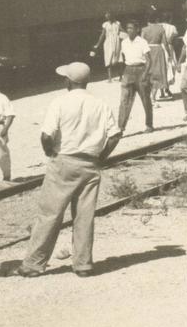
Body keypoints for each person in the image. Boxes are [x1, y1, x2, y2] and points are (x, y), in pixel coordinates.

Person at [12, 62, 121, 279]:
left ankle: (33, 264)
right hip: (90, 165)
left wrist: (50, 152)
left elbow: (46, 136)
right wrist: (101, 157)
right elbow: (115, 134)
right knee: (84, 216)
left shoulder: (59, 103)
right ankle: (83, 265)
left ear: (68, 81)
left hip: (63, 162)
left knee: (50, 215)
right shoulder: (100, 104)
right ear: (87, 81)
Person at [118, 22, 153, 134]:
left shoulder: (142, 42)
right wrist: (123, 74)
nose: (129, 30)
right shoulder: (124, 42)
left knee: (145, 99)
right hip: (128, 71)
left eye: (131, 28)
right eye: (127, 28)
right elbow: (123, 59)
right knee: (124, 101)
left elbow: (149, 60)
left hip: (140, 70)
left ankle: (149, 125)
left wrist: (145, 74)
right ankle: (120, 128)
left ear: (137, 29)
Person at [140, 10, 172, 106]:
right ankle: (153, 97)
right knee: (158, 74)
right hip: (158, 50)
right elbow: (165, 43)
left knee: (149, 73)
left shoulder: (144, 29)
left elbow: (141, 42)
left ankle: (148, 96)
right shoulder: (160, 28)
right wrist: (169, 54)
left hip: (147, 51)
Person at [89, 12, 122, 83]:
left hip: (117, 42)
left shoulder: (118, 23)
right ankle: (109, 78)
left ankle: (121, 76)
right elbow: (102, 35)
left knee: (119, 59)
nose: (107, 18)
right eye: (107, 17)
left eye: (109, 16)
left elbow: (122, 30)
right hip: (108, 42)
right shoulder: (105, 24)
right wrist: (98, 44)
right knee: (108, 58)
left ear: (112, 16)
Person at [160, 13, 179, 99]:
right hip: (169, 47)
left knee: (162, 67)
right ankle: (167, 87)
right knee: (170, 66)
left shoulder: (159, 26)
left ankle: (162, 90)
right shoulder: (172, 27)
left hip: (160, 47)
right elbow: (174, 37)